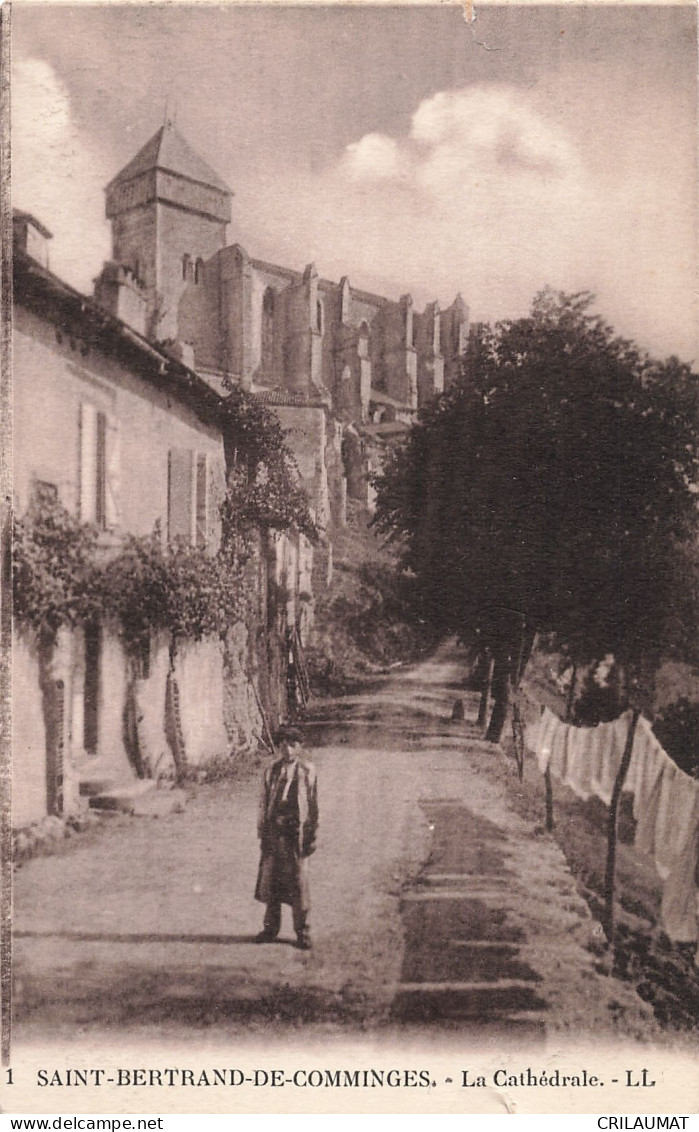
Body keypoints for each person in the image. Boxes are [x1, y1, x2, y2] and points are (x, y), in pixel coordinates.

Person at [254, 725, 318, 949]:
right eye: (284, 745)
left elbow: (314, 805)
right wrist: (262, 830)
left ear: (300, 747)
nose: (288, 750)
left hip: (295, 835)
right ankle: (270, 928)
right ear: (279, 747)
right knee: (271, 880)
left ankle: (303, 932)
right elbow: (263, 803)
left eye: (293, 745)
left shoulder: (308, 771)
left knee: (299, 883)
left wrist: (311, 835)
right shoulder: (271, 771)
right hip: (274, 833)